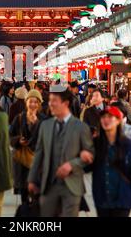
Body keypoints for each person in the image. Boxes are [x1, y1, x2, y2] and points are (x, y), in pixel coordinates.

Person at [28, 89, 95, 217]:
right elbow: (39, 154)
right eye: (49, 101)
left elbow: (90, 153)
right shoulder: (45, 126)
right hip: (49, 184)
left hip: (72, 185)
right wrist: (32, 179)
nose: (50, 104)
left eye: (54, 101)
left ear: (66, 103)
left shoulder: (80, 127)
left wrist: (72, 164)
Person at [91, 106, 131, 217]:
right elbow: (89, 167)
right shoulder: (96, 143)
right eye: (103, 117)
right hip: (102, 198)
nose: (106, 120)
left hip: (123, 199)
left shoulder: (127, 144)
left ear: (118, 120)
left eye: (110, 117)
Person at [9, 89, 46, 203]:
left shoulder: (44, 119)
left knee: (37, 193)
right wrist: (18, 141)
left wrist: (36, 124)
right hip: (22, 161)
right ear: (26, 102)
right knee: (24, 194)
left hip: (38, 160)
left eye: (36, 102)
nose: (33, 104)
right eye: (31, 101)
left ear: (39, 104)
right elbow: (10, 137)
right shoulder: (19, 118)